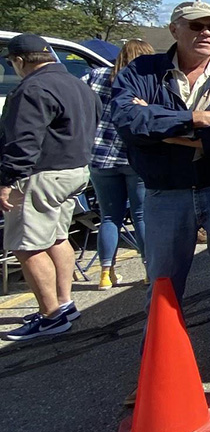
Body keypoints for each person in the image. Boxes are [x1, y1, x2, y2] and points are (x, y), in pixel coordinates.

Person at [112, 0, 210, 395]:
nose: (206, 33)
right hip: (166, 192)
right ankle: (156, 371)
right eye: (196, 26)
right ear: (175, 29)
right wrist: (195, 120)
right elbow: (126, 121)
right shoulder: (142, 72)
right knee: (163, 285)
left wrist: (162, 131)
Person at [1, 34, 101, 341]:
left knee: (26, 245)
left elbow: (23, 141)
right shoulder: (77, 83)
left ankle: (50, 315)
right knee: (58, 237)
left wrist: (5, 181)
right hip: (75, 170)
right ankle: (64, 302)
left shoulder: (31, 88)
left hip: (41, 174)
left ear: (19, 61)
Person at [84, 39, 154, 290]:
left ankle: (105, 273)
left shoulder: (96, 76)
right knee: (141, 216)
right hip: (134, 158)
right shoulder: (145, 81)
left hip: (100, 156)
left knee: (109, 216)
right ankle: (149, 270)